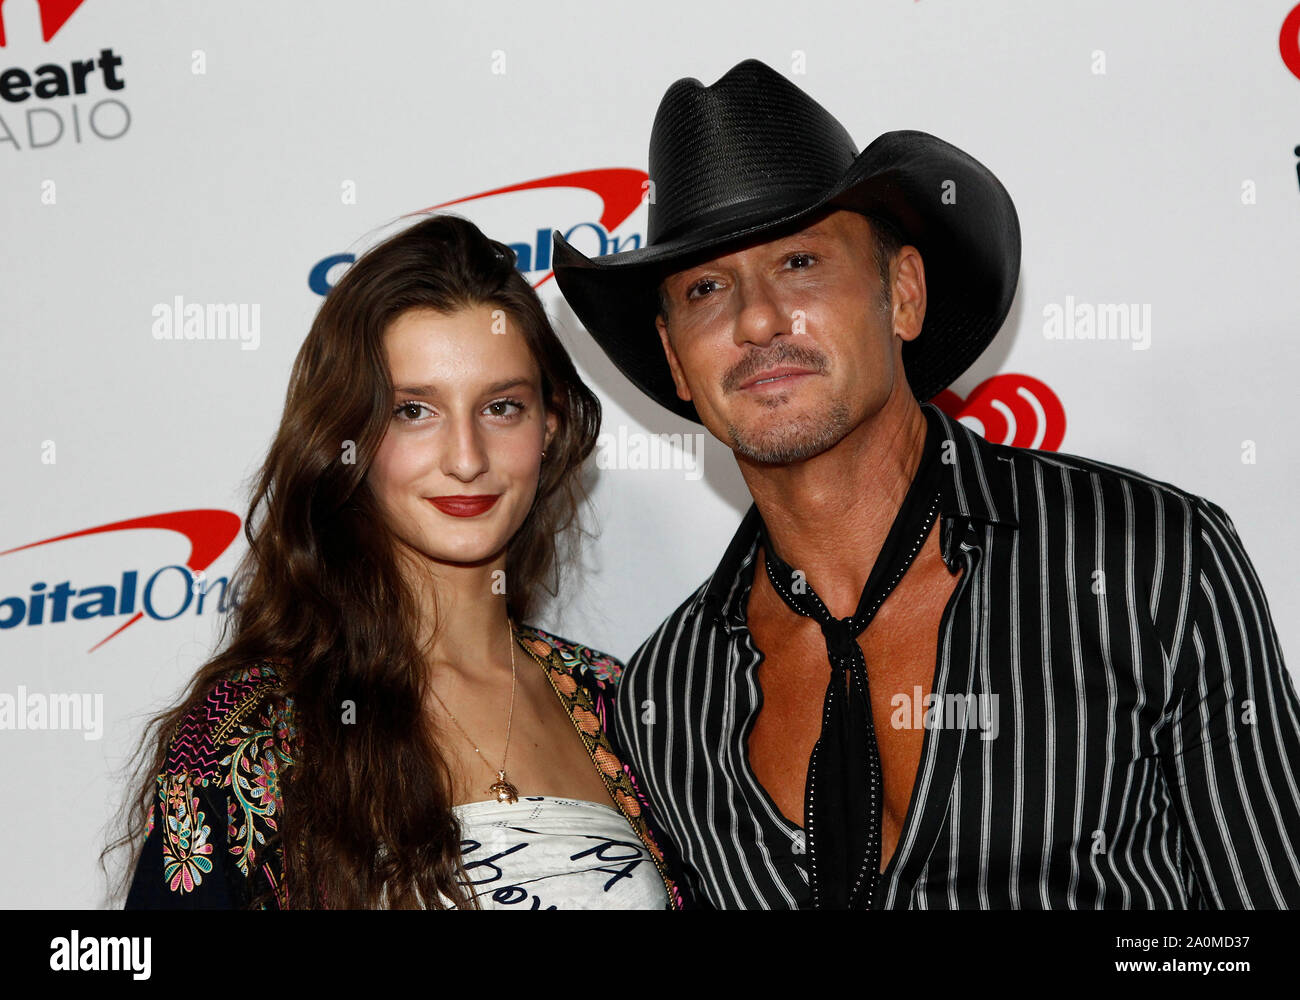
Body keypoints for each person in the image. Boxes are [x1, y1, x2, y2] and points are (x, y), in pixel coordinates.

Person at [551, 58, 1300, 909]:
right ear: (678, 360)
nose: (756, 320)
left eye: (799, 263)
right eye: (707, 287)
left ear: (902, 293)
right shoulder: (670, 695)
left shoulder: (1148, 560)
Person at [109, 213, 683, 910]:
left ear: (550, 426)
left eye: (502, 406)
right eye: (415, 411)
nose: (466, 459)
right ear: (349, 437)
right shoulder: (252, 733)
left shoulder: (626, 710)